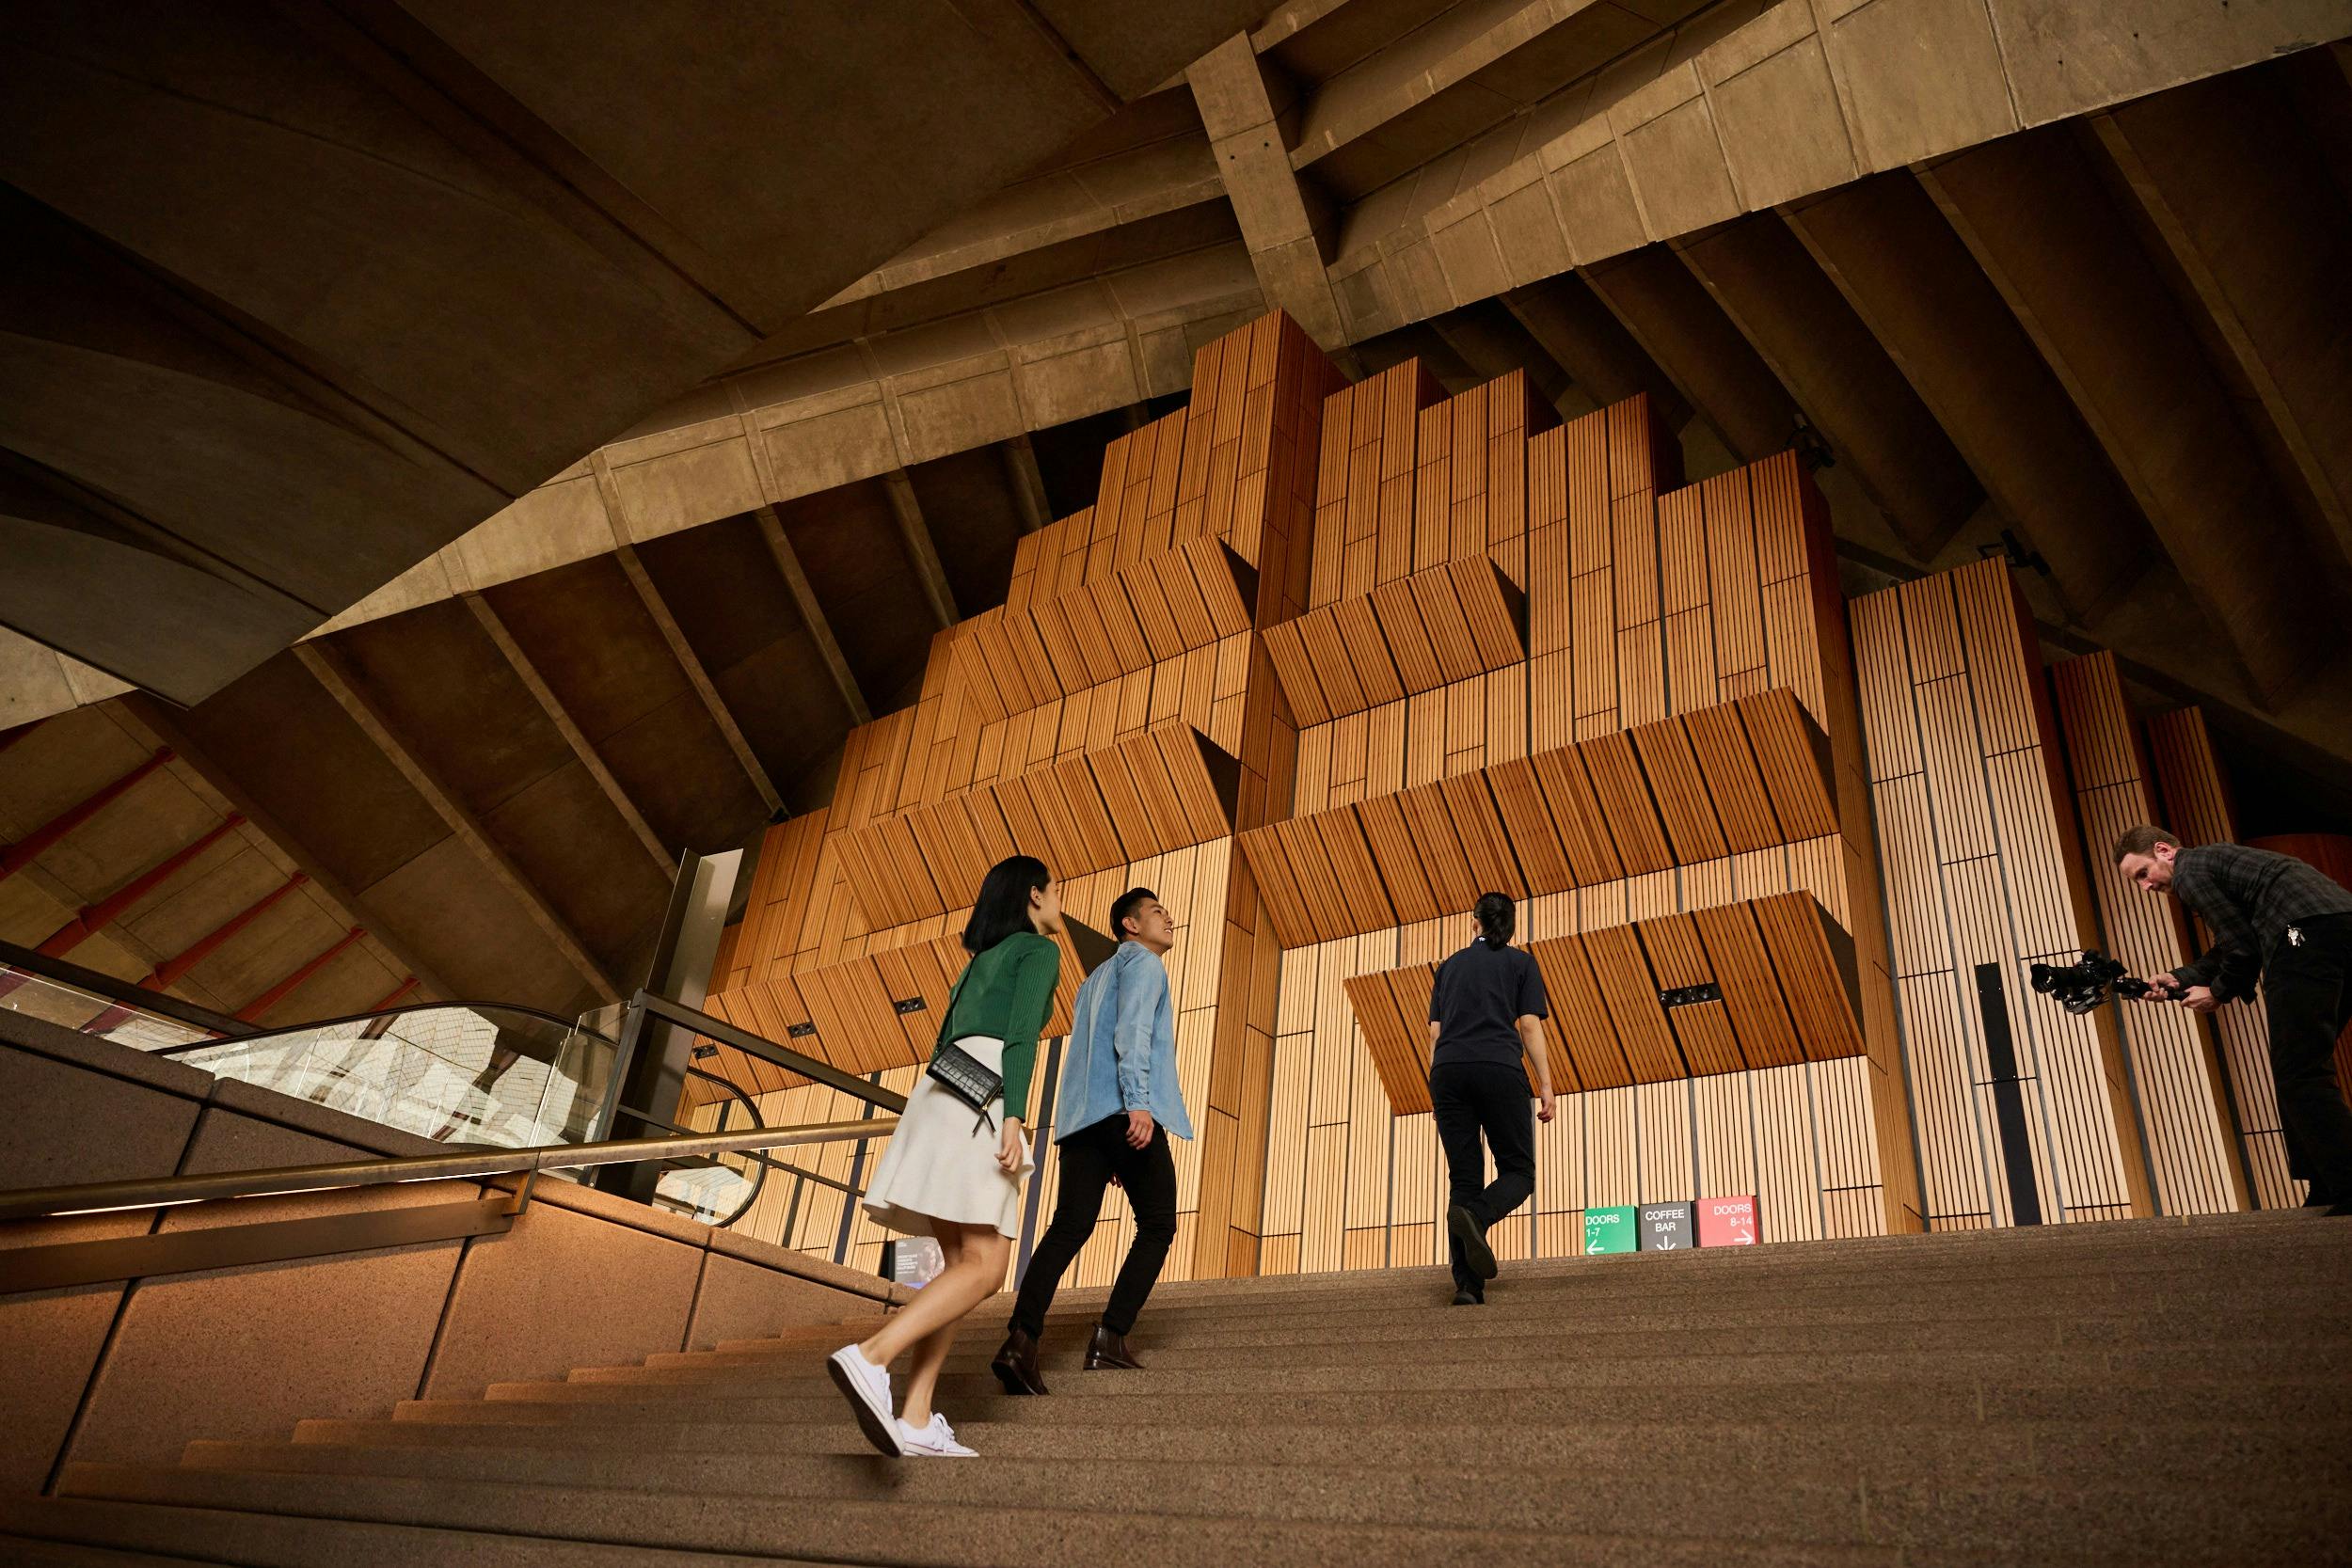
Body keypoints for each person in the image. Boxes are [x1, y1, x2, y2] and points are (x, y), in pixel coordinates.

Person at [828, 855, 1063, 1456]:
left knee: (958, 1263)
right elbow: (1020, 1037)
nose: (1060, 902)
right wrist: (1014, 1115)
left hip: (937, 1095)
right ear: (1034, 895)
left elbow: (940, 1042)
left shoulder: (977, 961)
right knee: (987, 1265)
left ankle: (915, 1416)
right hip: (984, 1096)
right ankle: (872, 1355)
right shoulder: (1038, 951)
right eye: (1055, 890)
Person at [992, 886, 1189, 1393]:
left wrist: (1106, 1132)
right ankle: (1110, 1338)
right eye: (1157, 912)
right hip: (1124, 1110)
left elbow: (1087, 1054)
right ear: (1130, 925)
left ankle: (1020, 1340)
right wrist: (1137, 1104)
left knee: (1069, 1226)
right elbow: (1132, 1036)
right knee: (1158, 1224)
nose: (1168, 919)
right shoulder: (1145, 964)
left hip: (1081, 1122)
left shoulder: (1092, 981)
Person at [2115, 826, 2352, 1215]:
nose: (2146, 887)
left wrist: (2219, 992)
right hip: (2335, 928)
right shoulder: (2215, 862)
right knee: (2299, 1067)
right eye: (2137, 882)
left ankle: (2344, 1184)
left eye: (2143, 873)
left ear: (2164, 850)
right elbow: (2235, 941)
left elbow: (2242, 949)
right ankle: (2326, 1184)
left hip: (2301, 935)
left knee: (2299, 1072)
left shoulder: (2190, 872)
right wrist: (2179, 978)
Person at [1428, 891, 1554, 1305]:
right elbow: (1530, 1026)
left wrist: (1436, 1090)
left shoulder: (1449, 967)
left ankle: (1467, 1287)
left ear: (1474, 922)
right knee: (1519, 1172)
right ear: (1510, 927)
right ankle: (1477, 1217)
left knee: (1464, 1178)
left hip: (1448, 1072)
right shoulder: (1521, 963)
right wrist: (1545, 1084)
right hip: (1498, 1068)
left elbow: (1435, 1034)